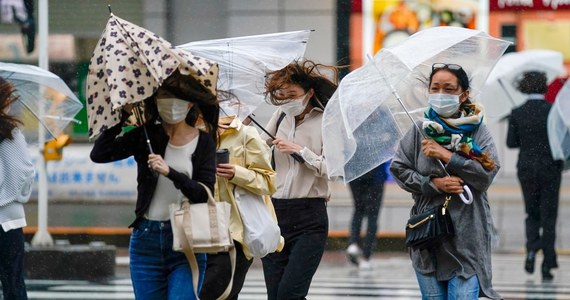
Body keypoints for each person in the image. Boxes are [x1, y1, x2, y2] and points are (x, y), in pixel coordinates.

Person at [90, 70, 219, 299]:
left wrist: (171, 172)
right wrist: (122, 116)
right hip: (145, 240)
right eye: (163, 96)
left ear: (190, 104)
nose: (170, 103)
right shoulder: (147, 136)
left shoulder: (204, 141)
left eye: (176, 97)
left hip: (186, 240)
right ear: (155, 100)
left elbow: (203, 193)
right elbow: (100, 154)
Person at [390, 63, 501, 299]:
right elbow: (399, 168)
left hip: (467, 238)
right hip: (428, 236)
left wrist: (448, 157)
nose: (441, 95)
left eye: (449, 89)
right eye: (435, 88)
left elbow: (486, 175)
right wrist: (433, 184)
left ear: (464, 94)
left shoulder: (478, 132)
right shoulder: (419, 129)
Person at [260, 59, 338, 300]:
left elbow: (333, 169)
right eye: (282, 95)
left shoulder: (326, 120)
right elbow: (260, 153)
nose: (287, 101)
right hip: (275, 213)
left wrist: (301, 152)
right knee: (275, 295)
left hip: (310, 216)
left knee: (290, 293)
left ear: (309, 92)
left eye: (292, 94)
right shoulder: (279, 117)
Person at [200, 114, 277, 299]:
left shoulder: (245, 134)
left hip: (234, 231)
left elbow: (268, 182)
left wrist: (237, 173)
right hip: (199, 225)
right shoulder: (188, 135)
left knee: (218, 292)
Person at [507, 71, 564, 281]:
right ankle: (548, 263)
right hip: (550, 169)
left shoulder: (517, 112)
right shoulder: (553, 111)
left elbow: (511, 143)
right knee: (549, 216)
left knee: (531, 213)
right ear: (544, 87)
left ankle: (531, 250)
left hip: (526, 169)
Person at [0, 77, 35, 300]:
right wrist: (14, 194)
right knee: (13, 282)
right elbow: (24, 171)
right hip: (8, 220)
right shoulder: (10, 132)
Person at [345, 163, 388, 270]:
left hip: (355, 173)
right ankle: (366, 257)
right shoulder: (378, 146)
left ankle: (353, 243)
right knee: (373, 215)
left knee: (358, 210)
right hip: (376, 174)